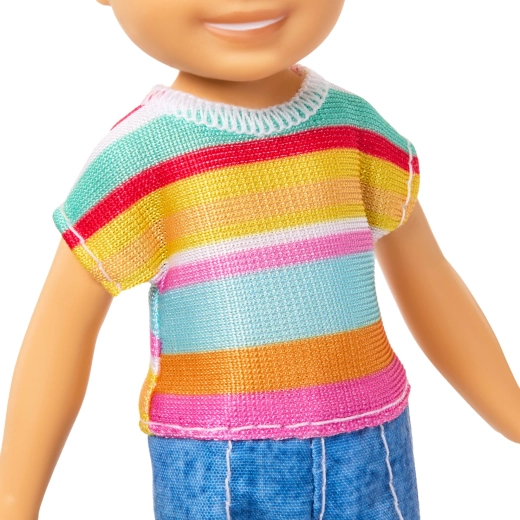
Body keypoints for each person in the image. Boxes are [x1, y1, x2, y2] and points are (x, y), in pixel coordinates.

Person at [1, 0, 519, 518]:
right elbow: (61, 329)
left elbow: (429, 276)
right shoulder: (140, 157)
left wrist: (510, 410)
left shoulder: (354, 131)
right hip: (220, 458)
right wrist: (15, 500)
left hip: (371, 440)